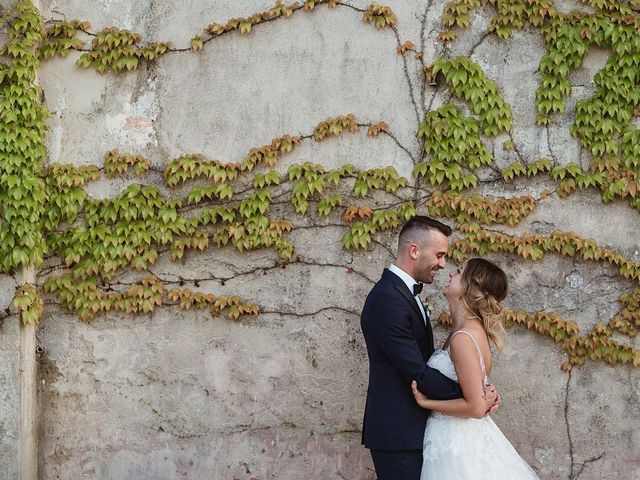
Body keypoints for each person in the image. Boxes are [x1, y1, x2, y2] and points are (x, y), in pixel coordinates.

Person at [360, 216, 499, 480]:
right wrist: (474, 397)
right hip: (398, 434)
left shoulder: (404, 295)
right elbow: (418, 372)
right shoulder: (388, 300)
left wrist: (476, 393)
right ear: (414, 250)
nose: (443, 264)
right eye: (439, 255)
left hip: (416, 430)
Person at [411, 258, 539, 479]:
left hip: (457, 444)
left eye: (459, 272)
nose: (451, 273)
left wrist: (426, 403)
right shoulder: (462, 332)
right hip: (454, 437)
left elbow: (476, 407)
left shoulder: (463, 337)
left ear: (469, 288)